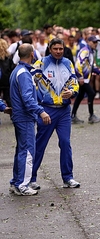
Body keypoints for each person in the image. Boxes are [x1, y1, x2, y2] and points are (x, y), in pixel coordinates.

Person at [30, 38, 81, 190]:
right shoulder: (41, 63)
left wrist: (72, 91)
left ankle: (68, 178)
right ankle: (31, 178)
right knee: (40, 144)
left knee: (65, 143)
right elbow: (30, 83)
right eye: (55, 49)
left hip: (64, 111)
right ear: (50, 49)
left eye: (61, 49)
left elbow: (75, 82)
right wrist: (37, 103)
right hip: (47, 110)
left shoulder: (68, 63)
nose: (58, 51)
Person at [9, 44, 50, 196]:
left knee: (21, 150)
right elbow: (27, 98)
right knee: (27, 151)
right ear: (32, 54)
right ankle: (23, 184)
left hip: (20, 116)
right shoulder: (24, 73)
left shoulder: (17, 71)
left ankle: (16, 181)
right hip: (25, 117)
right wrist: (41, 112)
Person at [71, 36, 100, 124]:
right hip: (83, 79)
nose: (96, 44)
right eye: (94, 42)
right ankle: (91, 116)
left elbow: (91, 66)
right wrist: (80, 77)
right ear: (89, 42)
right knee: (91, 93)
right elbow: (78, 64)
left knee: (80, 96)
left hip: (85, 78)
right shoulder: (85, 51)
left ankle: (73, 116)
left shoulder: (91, 52)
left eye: (97, 42)